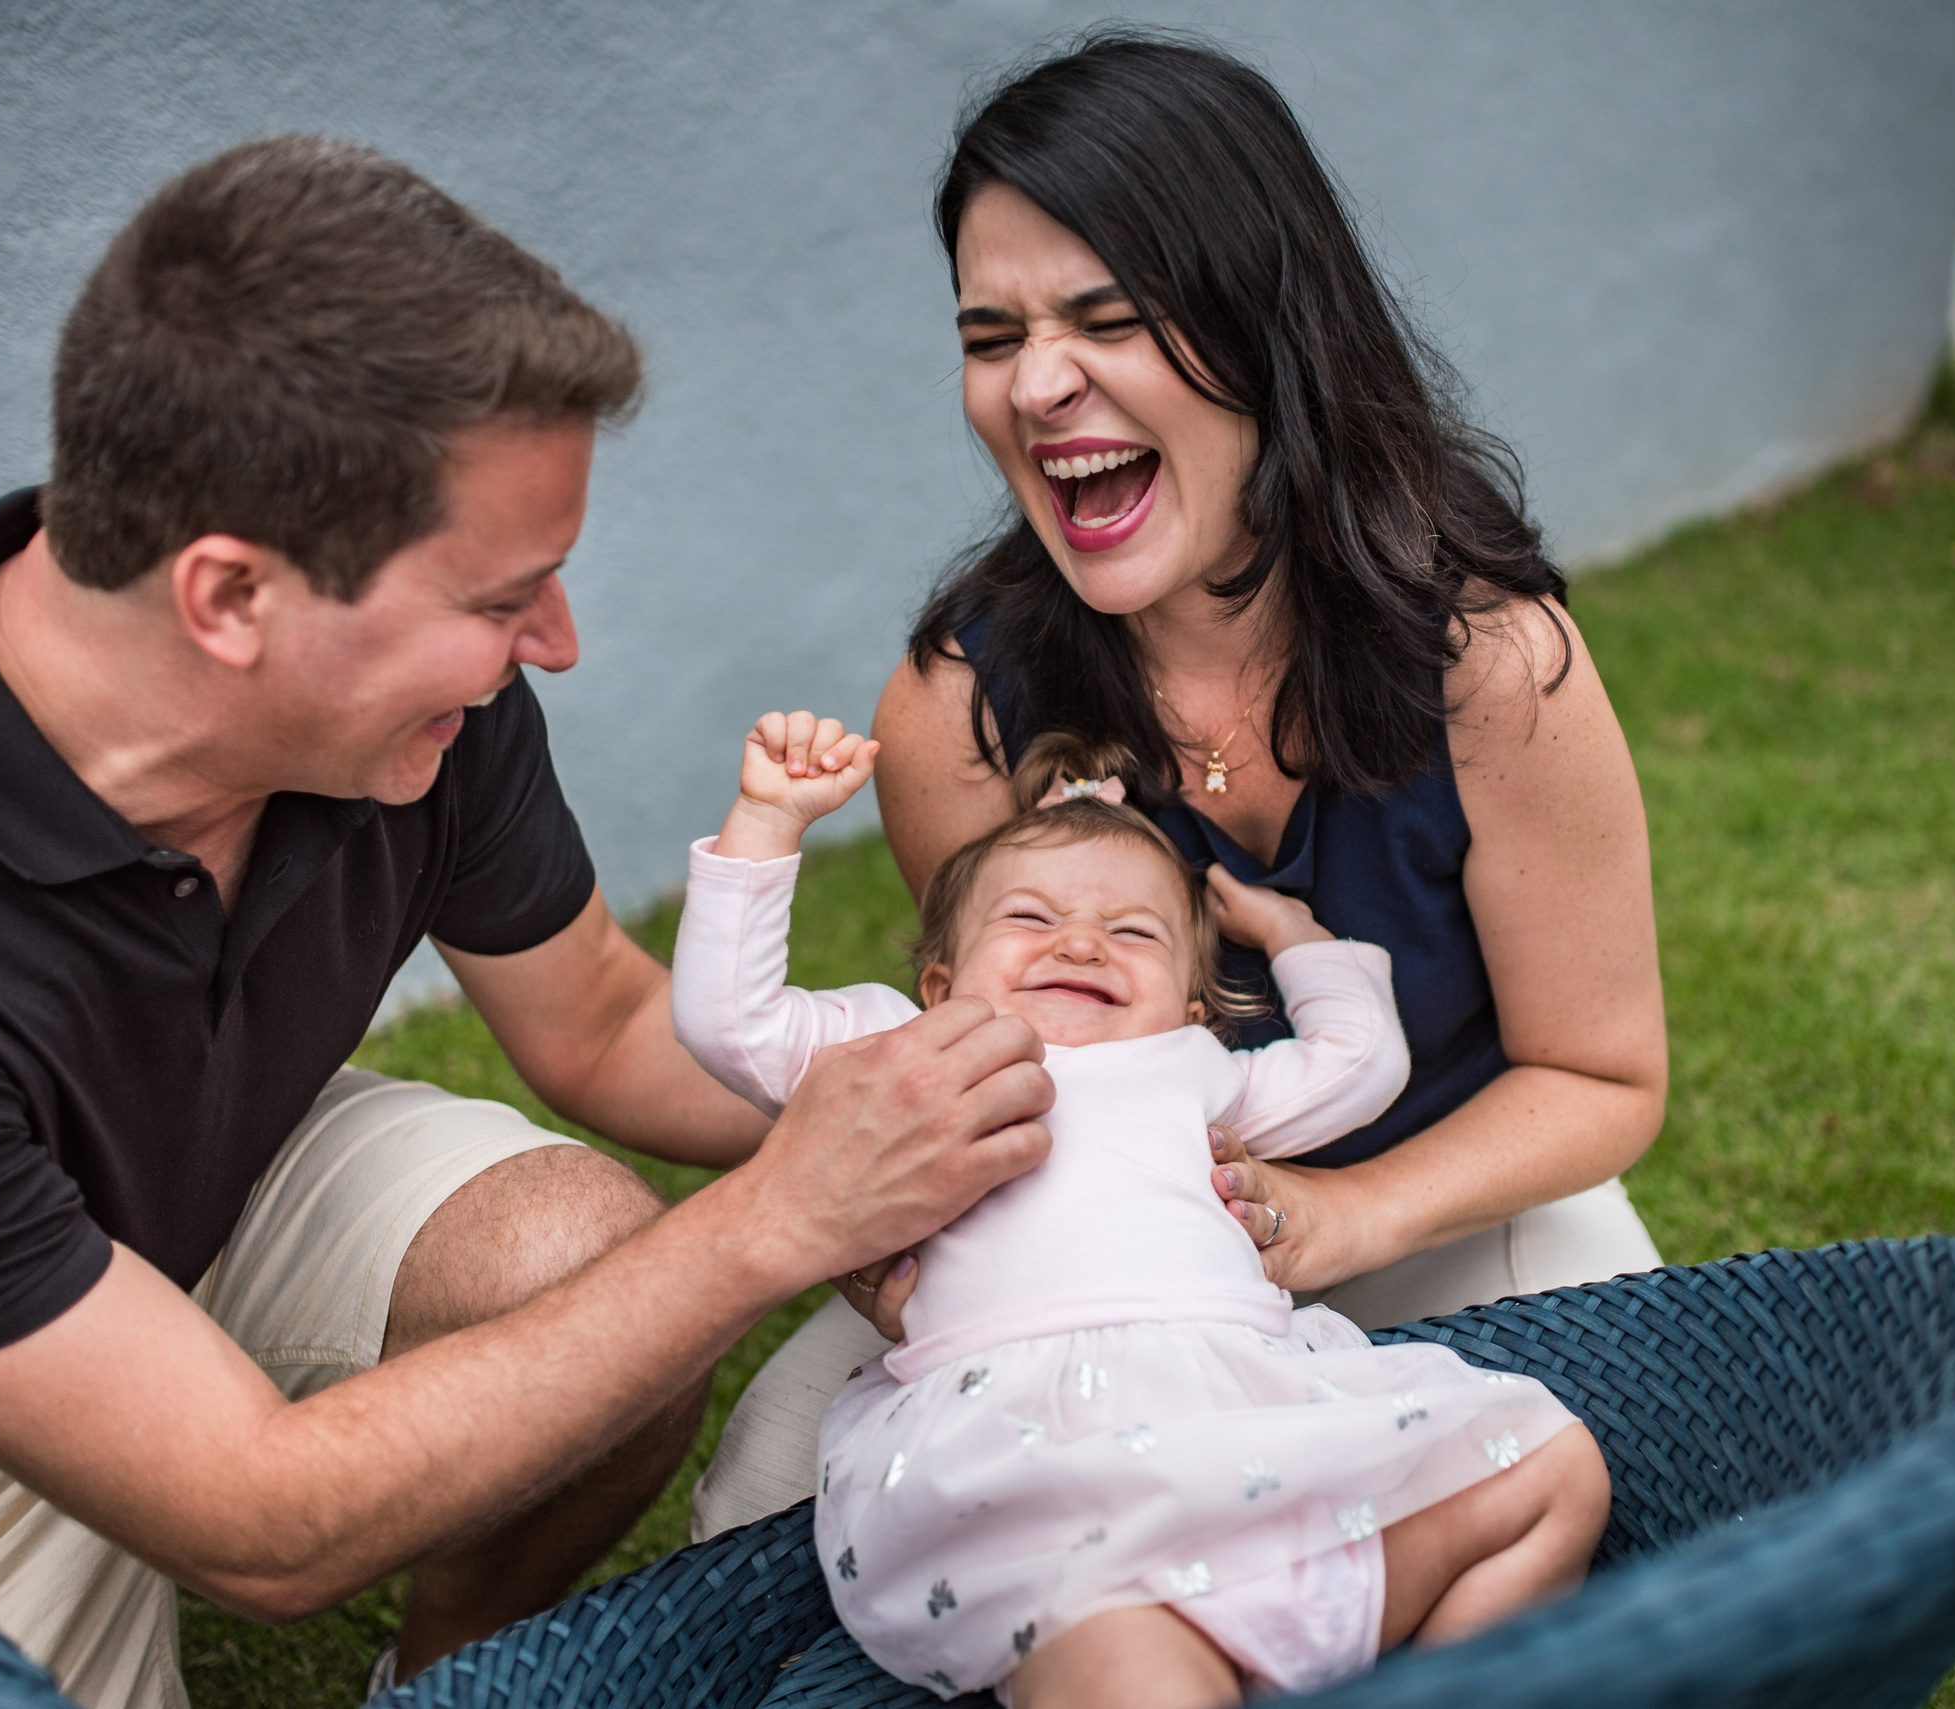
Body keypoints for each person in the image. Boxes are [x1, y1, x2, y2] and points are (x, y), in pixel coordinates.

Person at [0, 137, 1054, 1709]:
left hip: (199, 1189)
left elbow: (598, 1021)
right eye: (498, 599)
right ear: (228, 599)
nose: (555, 642)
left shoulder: (422, 722)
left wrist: (972, 1103)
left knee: (592, 1267)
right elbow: (256, 1526)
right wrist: (780, 1220)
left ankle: (448, 1680)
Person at [691, 31, 1668, 1544]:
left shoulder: (1488, 667)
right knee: (763, 1489)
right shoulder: (960, 715)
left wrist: (1353, 1215)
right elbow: (986, 1072)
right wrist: (882, 1254)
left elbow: (1600, 1079)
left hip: (1455, 1206)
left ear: (1261, 330)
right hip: (1098, 1259)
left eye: (1108, 317)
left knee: (1623, 1497)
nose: (1039, 384)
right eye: (992, 334)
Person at [672, 713, 1607, 1707]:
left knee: (1551, 1468)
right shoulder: (908, 1053)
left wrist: (1298, 940)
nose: (1080, 940)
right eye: (1029, 920)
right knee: (1135, 1666)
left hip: (1256, 1434)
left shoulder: (1193, 1071)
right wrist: (768, 823)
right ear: (940, 984)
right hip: (1056, 1481)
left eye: (1131, 932)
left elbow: (1359, 1065)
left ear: (1191, 1008)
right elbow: (731, 1023)